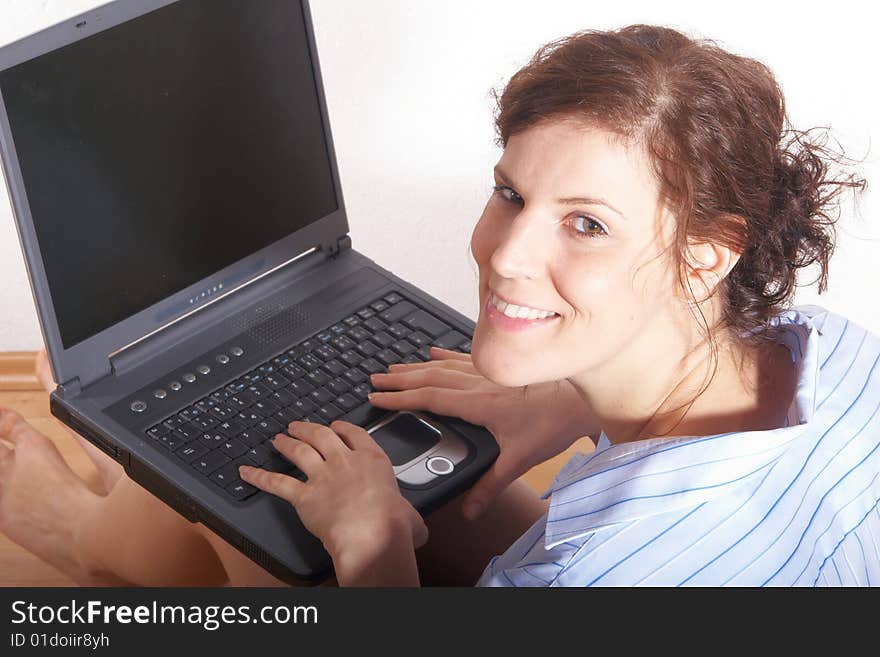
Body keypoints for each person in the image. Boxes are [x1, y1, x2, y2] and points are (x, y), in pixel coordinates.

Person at [1, 24, 877, 586]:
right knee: (341, 460)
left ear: (708, 253)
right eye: (509, 192)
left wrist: (375, 548)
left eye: (586, 224)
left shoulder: (602, 574)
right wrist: (566, 398)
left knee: (276, 513)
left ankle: (82, 526)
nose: (505, 254)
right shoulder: (832, 350)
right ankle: (145, 475)